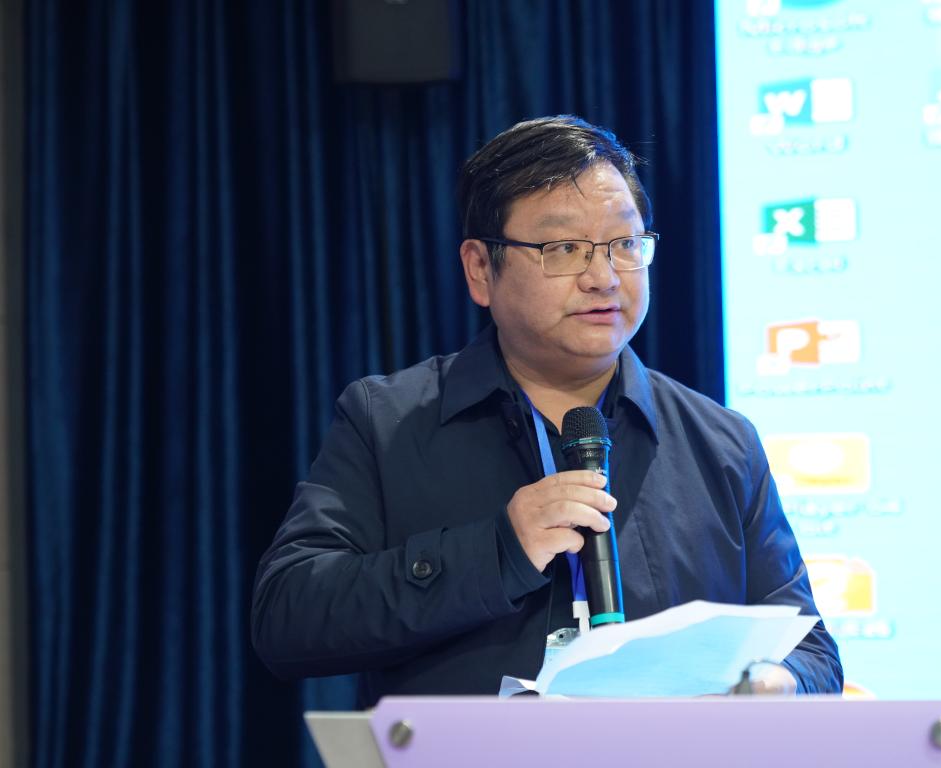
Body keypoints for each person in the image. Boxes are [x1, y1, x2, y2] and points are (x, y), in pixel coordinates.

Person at [251, 115, 842, 707]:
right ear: (480, 269)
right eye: (564, 249)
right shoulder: (388, 421)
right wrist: (498, 551)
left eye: (625, 245)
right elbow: (288, 618)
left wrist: (774, 682)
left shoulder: (722, 441)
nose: (603, 278)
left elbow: (811, 650)